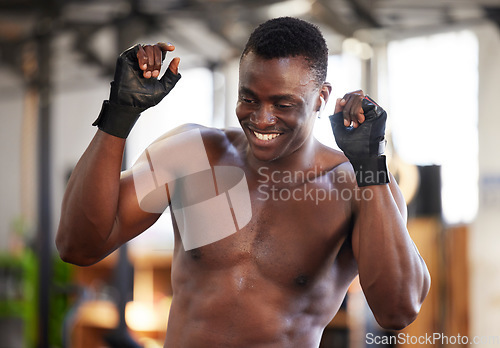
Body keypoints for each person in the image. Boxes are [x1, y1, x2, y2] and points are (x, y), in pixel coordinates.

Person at [56, 17, 430, 347]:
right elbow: (78, 246)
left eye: (283, 104)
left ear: (321, 98)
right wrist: (118, 116)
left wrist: (371, 168)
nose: (262, 119)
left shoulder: (354, 185)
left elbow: (398, 310)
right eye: (248, 99)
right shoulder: (193, 154)